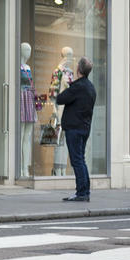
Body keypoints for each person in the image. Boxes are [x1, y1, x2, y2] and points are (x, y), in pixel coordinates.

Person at [56, 56, 96, 202]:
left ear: (78, 70)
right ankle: (85, 192)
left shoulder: (77, 87)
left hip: (74, 129)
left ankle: (81, 193)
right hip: (85, 128)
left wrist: (67, 86)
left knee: (77, 161)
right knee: (81, 160)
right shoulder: (90, 87)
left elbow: (60, 99)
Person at [50, 47, 75, 176]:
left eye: (71, 55)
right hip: (60, 108)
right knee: (58, 140)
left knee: (66, 141)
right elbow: (53, 93)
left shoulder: (70, 72)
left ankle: (63, 169)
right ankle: (56, 170)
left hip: (68, 108)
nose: (70, 57)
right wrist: (54, 112)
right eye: (68, 54)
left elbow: (73, 91)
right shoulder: (57, 71)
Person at [20, 42, 36, 176]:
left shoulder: (28, 67)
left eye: (29, 50)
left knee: (27, 136)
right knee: (20, 136)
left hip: (29, 100)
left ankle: (25, 168)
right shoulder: (17, 67)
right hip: (21, 99)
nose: (28, 52)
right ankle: (19, 167)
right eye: (26, 49)